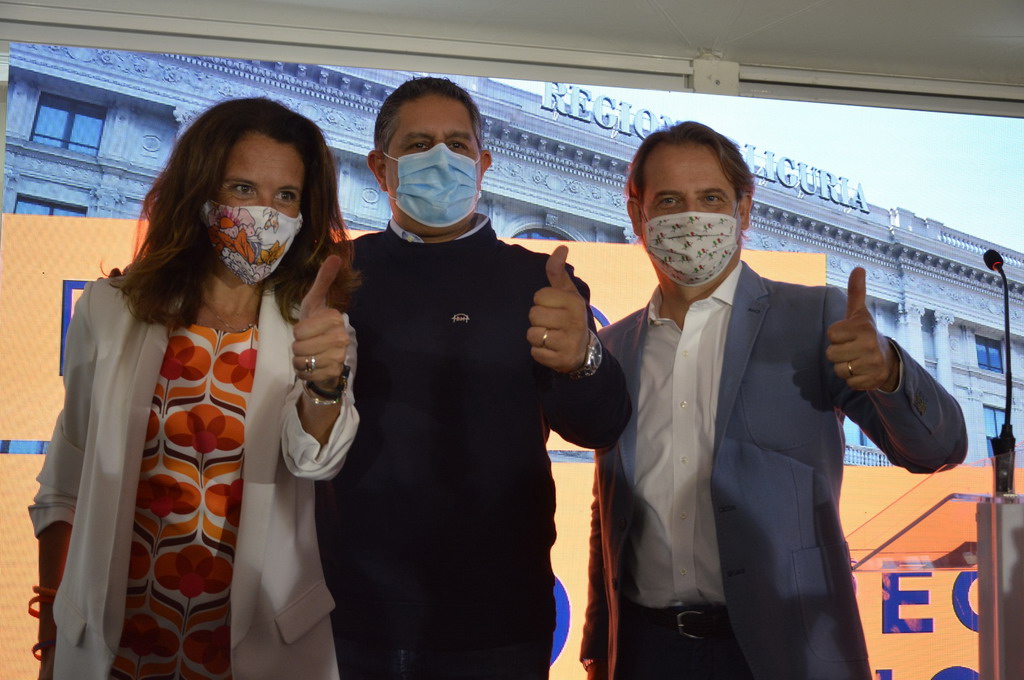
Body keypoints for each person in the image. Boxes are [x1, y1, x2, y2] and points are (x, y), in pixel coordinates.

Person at [580, 121, 968, 680]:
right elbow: (608, 508)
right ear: (638, 216)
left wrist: (889, 373)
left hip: (789, 650)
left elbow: (939, 450)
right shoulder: (614, 348)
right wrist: (599, 646)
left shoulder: (817, 318)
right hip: (647, 652)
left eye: (711, 198)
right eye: (669, 201)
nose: (691, 218)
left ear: (743, 210)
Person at [28, 97, 359, 680]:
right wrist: (50, 636)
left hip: (263, 646)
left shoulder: (317, 327)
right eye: (243, 189)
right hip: (115, 646)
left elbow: (314, 462)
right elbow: (64, 484)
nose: (265, 215)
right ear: (201, 193)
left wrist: (324, 382)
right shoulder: (109, 310)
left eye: (286, 196)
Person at [314, 77, 631, 679]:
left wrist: (582, 358)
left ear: (483, 166)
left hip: (498, 625)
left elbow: (599, 425)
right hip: (350, 616)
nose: (442, 158)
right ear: (380, 169)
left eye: (458, 145)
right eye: (419, 144)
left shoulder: (543, 283)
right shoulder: (336, 276)